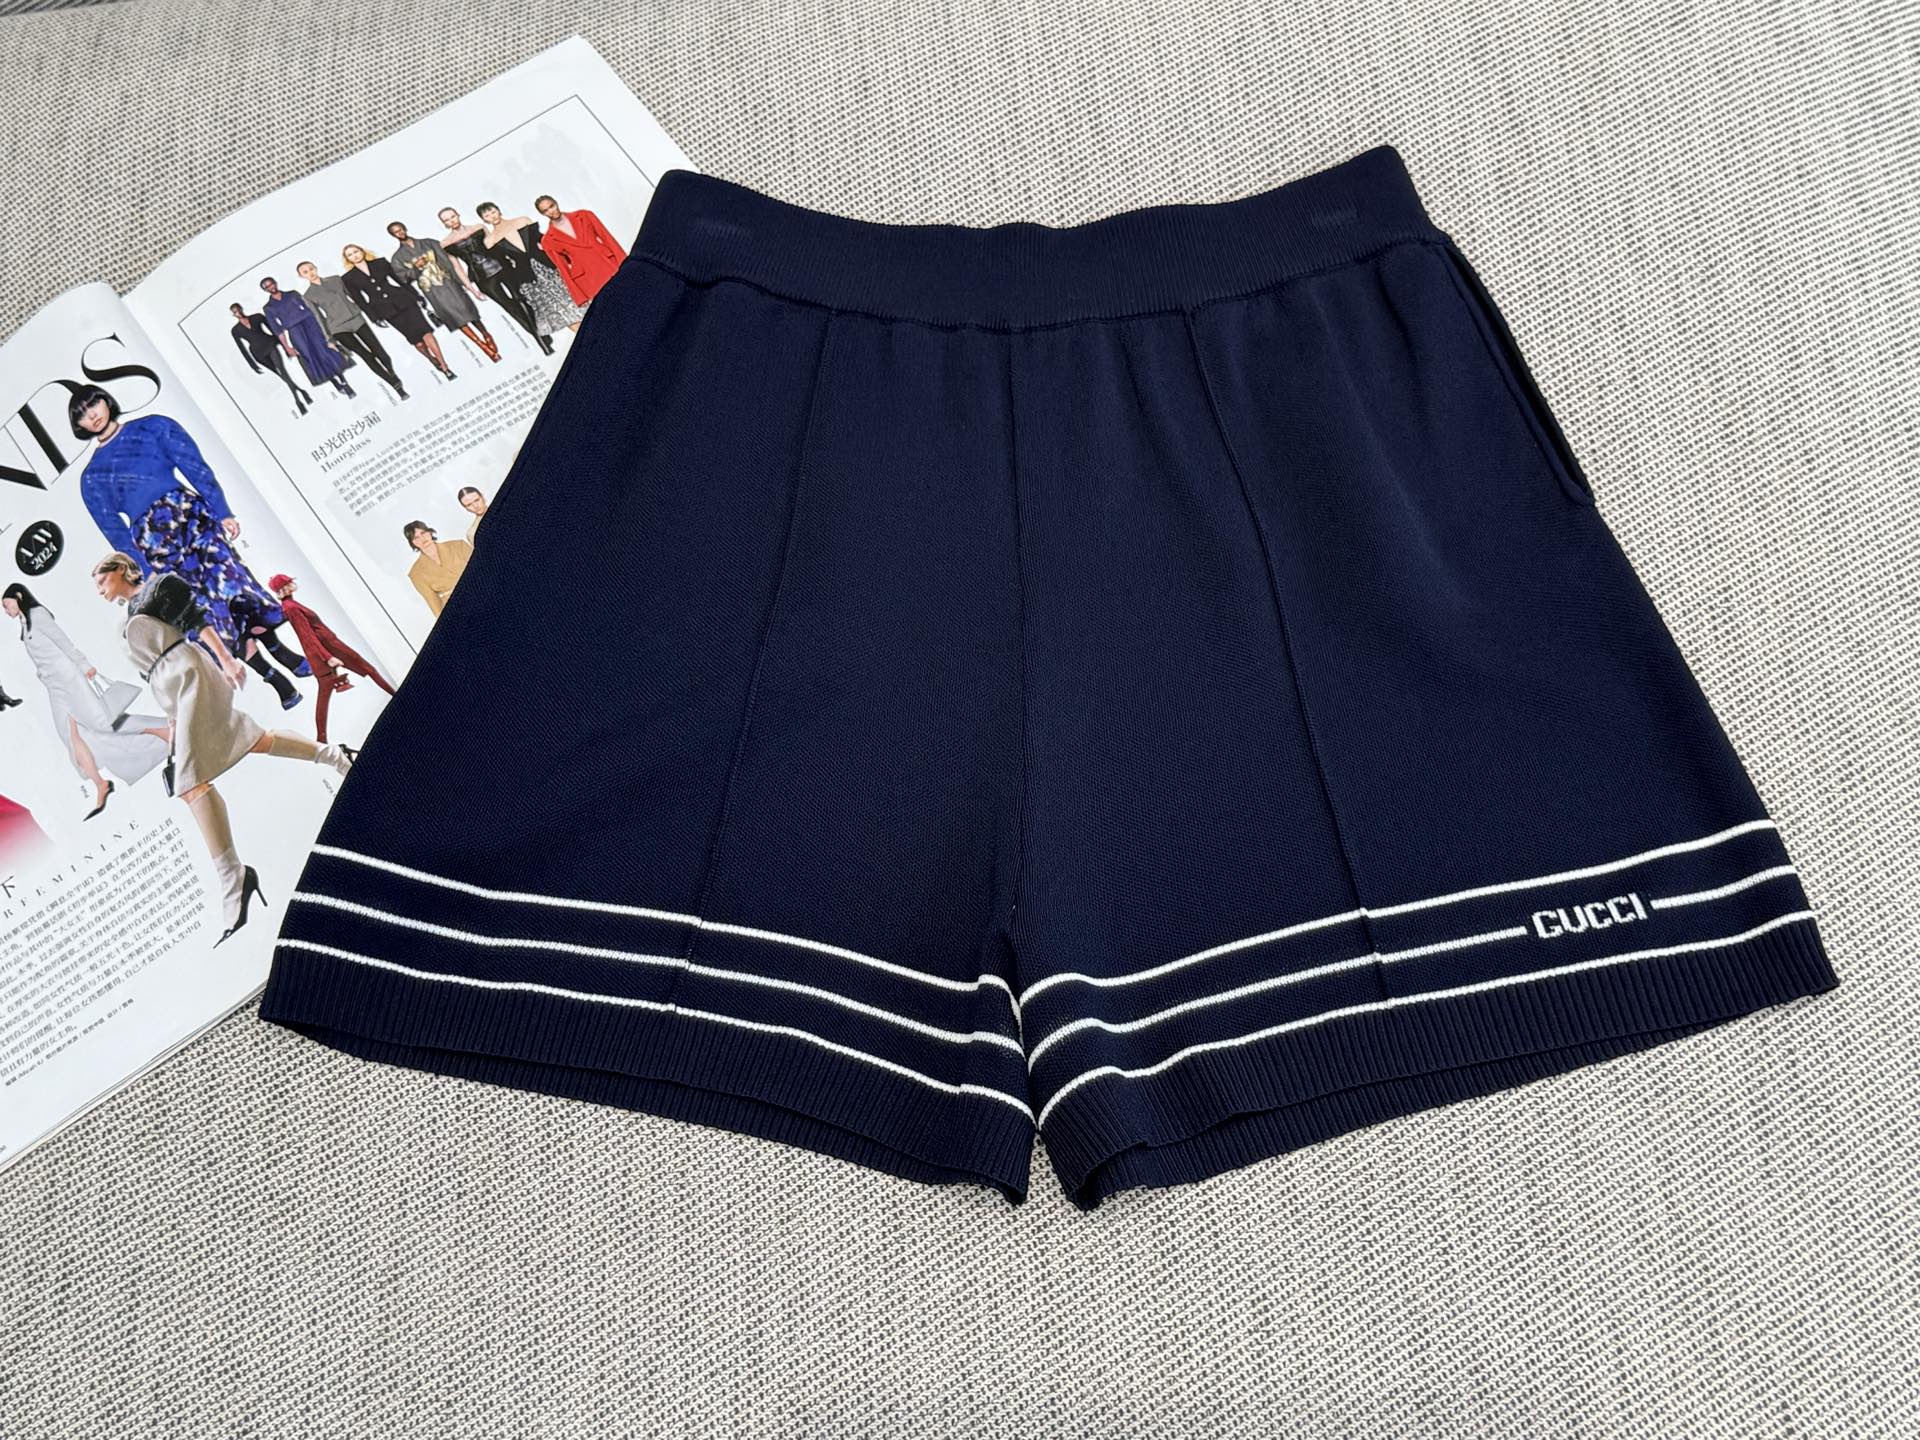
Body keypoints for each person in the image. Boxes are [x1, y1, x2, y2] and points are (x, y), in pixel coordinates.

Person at [91, 552, 354, 944]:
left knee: (189, 783)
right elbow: (151, 672)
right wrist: (172, 719)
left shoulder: (160, 587)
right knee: (254, 740)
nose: (99, 588)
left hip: (193, 673)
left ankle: (233, 877)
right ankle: (335, 755)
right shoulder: (124, 621)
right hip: (171, 688)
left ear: (119, 570)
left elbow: (197, 623)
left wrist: (228, 660)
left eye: (101, 579)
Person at [72, 386, 309, 709]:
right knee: (207, 613)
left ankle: (283, 653)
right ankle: (276, 679)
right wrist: (145, 569)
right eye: (82, 415)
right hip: (157, 546)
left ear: (105, 400)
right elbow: (114, 530)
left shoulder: (153, 426)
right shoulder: (92, 477)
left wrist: (222, 510)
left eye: (94, 404)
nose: (92, 415)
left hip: (193, 518)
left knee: (235, 589)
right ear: (79, 425)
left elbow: (194, 466)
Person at [3, 582, 170, 819]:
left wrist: (84, 665)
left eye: (6, 605)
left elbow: (63, 642)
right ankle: (100, 784)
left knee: (101, 723)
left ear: (18, 597)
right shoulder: (24, 623)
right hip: (54, 686)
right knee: (70, 735)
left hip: (70, 679)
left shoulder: (38, 615)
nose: (5, 610)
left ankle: (163, 731)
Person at [265, 572, 396, 743]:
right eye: (288, 583)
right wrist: (328, 657)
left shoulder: (291, 605)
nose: (292, 584)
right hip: (329, 649)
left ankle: (321, 738)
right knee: (367, 670)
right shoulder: (291, 608)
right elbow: (307, 636)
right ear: (284, 588)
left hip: (327, 648)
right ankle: (396, 695)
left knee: (326, 693)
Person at [440, 205, 548, 354]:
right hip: (481, 278)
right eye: (447, 220)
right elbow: (457, 267)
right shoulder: (445, 243)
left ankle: (542, 333)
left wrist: (513, 257)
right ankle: (540, 340)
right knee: (509, 307)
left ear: (458, 215)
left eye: (452, 216)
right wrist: (472, 289)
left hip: (502, 266)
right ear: (444, 224)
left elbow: (494, 243)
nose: (451, 221)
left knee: (521, 298)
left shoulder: (479, 227)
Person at [388, 220, 499, 363]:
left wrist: (461, 282)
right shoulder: (397, 257)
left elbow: (448, 262)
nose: (400, 233)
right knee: (455, 318)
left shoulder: (429, 243)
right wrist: (416, 267)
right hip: (432, 290)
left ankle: (486, 334)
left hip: (448, 282)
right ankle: (482, 346)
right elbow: (403, 278)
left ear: (405, 228)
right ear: (393, 235)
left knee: (467, 309)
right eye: (396, 232)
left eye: (400, 229)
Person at [340, 243, 455, 380]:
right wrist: (374, 318)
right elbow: (360, 300)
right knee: (417, 342)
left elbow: (400, 281)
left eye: (356, 251)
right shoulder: (348, 278)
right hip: (385, 310)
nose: (354, 255)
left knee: (426, 332)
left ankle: (445, 366)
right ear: (347, 259)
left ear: (362, 251)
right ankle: (431, 359)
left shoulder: (380, 263)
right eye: (350, 255)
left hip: (404, 301)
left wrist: (417, 296)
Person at [296, 260, 408, 400]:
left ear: (316, 268)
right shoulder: (308, 295)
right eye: (305, 272)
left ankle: (392, 374)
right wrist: (329, 339)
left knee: (380, 353)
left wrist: (372, 314)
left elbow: (355, 296)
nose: (310, 273)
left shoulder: (336, 279)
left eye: (311, 269)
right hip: (338, 327)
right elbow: (318, 317)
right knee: (366, 356)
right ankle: (396, 386)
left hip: (356, 318)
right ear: (302, 276)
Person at [476, 201, 583, 338]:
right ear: (484, 220)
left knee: (574, 300)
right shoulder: (490, 240)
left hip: (549, 267)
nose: (492, 216)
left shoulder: (522, 221)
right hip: (528, 277)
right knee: (558, 311)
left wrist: (567, 257)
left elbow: (544, 241)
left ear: (498, 210)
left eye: (493, 211)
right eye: (487, 215)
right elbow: (505, 265)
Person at [258, 277, 356, 399]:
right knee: (310, 356)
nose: (270, 287)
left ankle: (344, 382)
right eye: (266, 287)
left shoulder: (292, 294)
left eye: (271, 284)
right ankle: (335, 383)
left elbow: (310, 309)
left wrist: (324, 329)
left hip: (310, 324)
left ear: (275, 283)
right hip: (295, 331)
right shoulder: (268, 307)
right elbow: (277, 329)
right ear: (265, 290)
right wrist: (287, 347)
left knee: (324, 351)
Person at [535, 194, 627, 305]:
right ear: (542, 214)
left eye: (552, 206)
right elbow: (563, 269)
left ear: (556, 203)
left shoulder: (584, 215)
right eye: (546, 210)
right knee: (614, 306)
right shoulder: (548, 240)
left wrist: (625, 262)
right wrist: (578, 296)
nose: (551, 211)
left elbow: (607, 238)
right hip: (588, 278)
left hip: (607, 262)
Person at [229, 303, 313, 414]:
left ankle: (298, 402)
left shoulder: (257, 317)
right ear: (233, 314)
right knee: (281, 376)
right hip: (258, 354)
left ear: (241, 308)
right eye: (235, 312)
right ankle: (302, 392)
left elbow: (273, 330)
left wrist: (285, 347)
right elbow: (242, 348)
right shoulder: (235, 330)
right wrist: (252, 364)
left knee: (283, 372)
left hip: (270, 345)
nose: (238, 313)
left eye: (238, 310)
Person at [402, 521, 473, 616]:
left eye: (423, 533)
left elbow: (484, 567)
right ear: (413, 543)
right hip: (457, 608)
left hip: (482, 589)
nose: (422, 539)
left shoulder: (458, 545)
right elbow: (435, 605)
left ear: (429, 532)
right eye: (416, 538)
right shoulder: (416, 574)